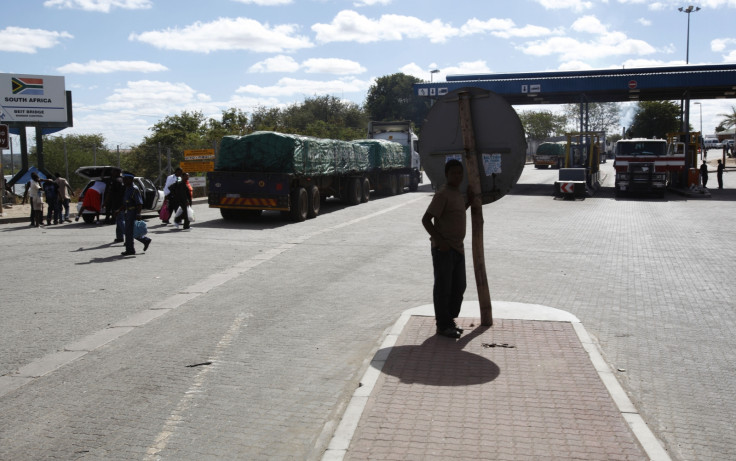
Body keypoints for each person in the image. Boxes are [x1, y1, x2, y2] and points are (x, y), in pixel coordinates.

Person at [421, 159, 473, 339]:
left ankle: (449, 320)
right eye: (453, 173)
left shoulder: (457, 193)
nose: (457, 176)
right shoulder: (442, 194)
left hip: (458, 248)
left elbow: (456, 213)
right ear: (446, 175)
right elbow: (426, 220)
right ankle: (443, 325)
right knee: (444, 288)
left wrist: (470, 202)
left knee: (459, 286)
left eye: (460, 173)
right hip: (445, 249)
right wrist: (440, 241)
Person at [119, 173, 151, 256]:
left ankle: (130, 250)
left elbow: (139, 203)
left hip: (133, 212)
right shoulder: (127, 188)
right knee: (129, 231)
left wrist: (138, 214)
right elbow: (126, 201)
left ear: (130, 179)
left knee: (129, 232)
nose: (123, 181)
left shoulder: (134, 189)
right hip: (128, 211)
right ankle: (144, 240)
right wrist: (119, 210)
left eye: (125, 179)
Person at [108, 170, 125, 243]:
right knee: (119, 221)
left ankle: (138, 237)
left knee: (120, 222)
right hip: (122, 204)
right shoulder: (123, 180)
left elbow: (111, 193)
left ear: (117, 172)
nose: (112, 173)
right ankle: (119, 237)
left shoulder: (116, 181)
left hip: (118, 204)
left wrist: (106, 202)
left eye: (113, 172)